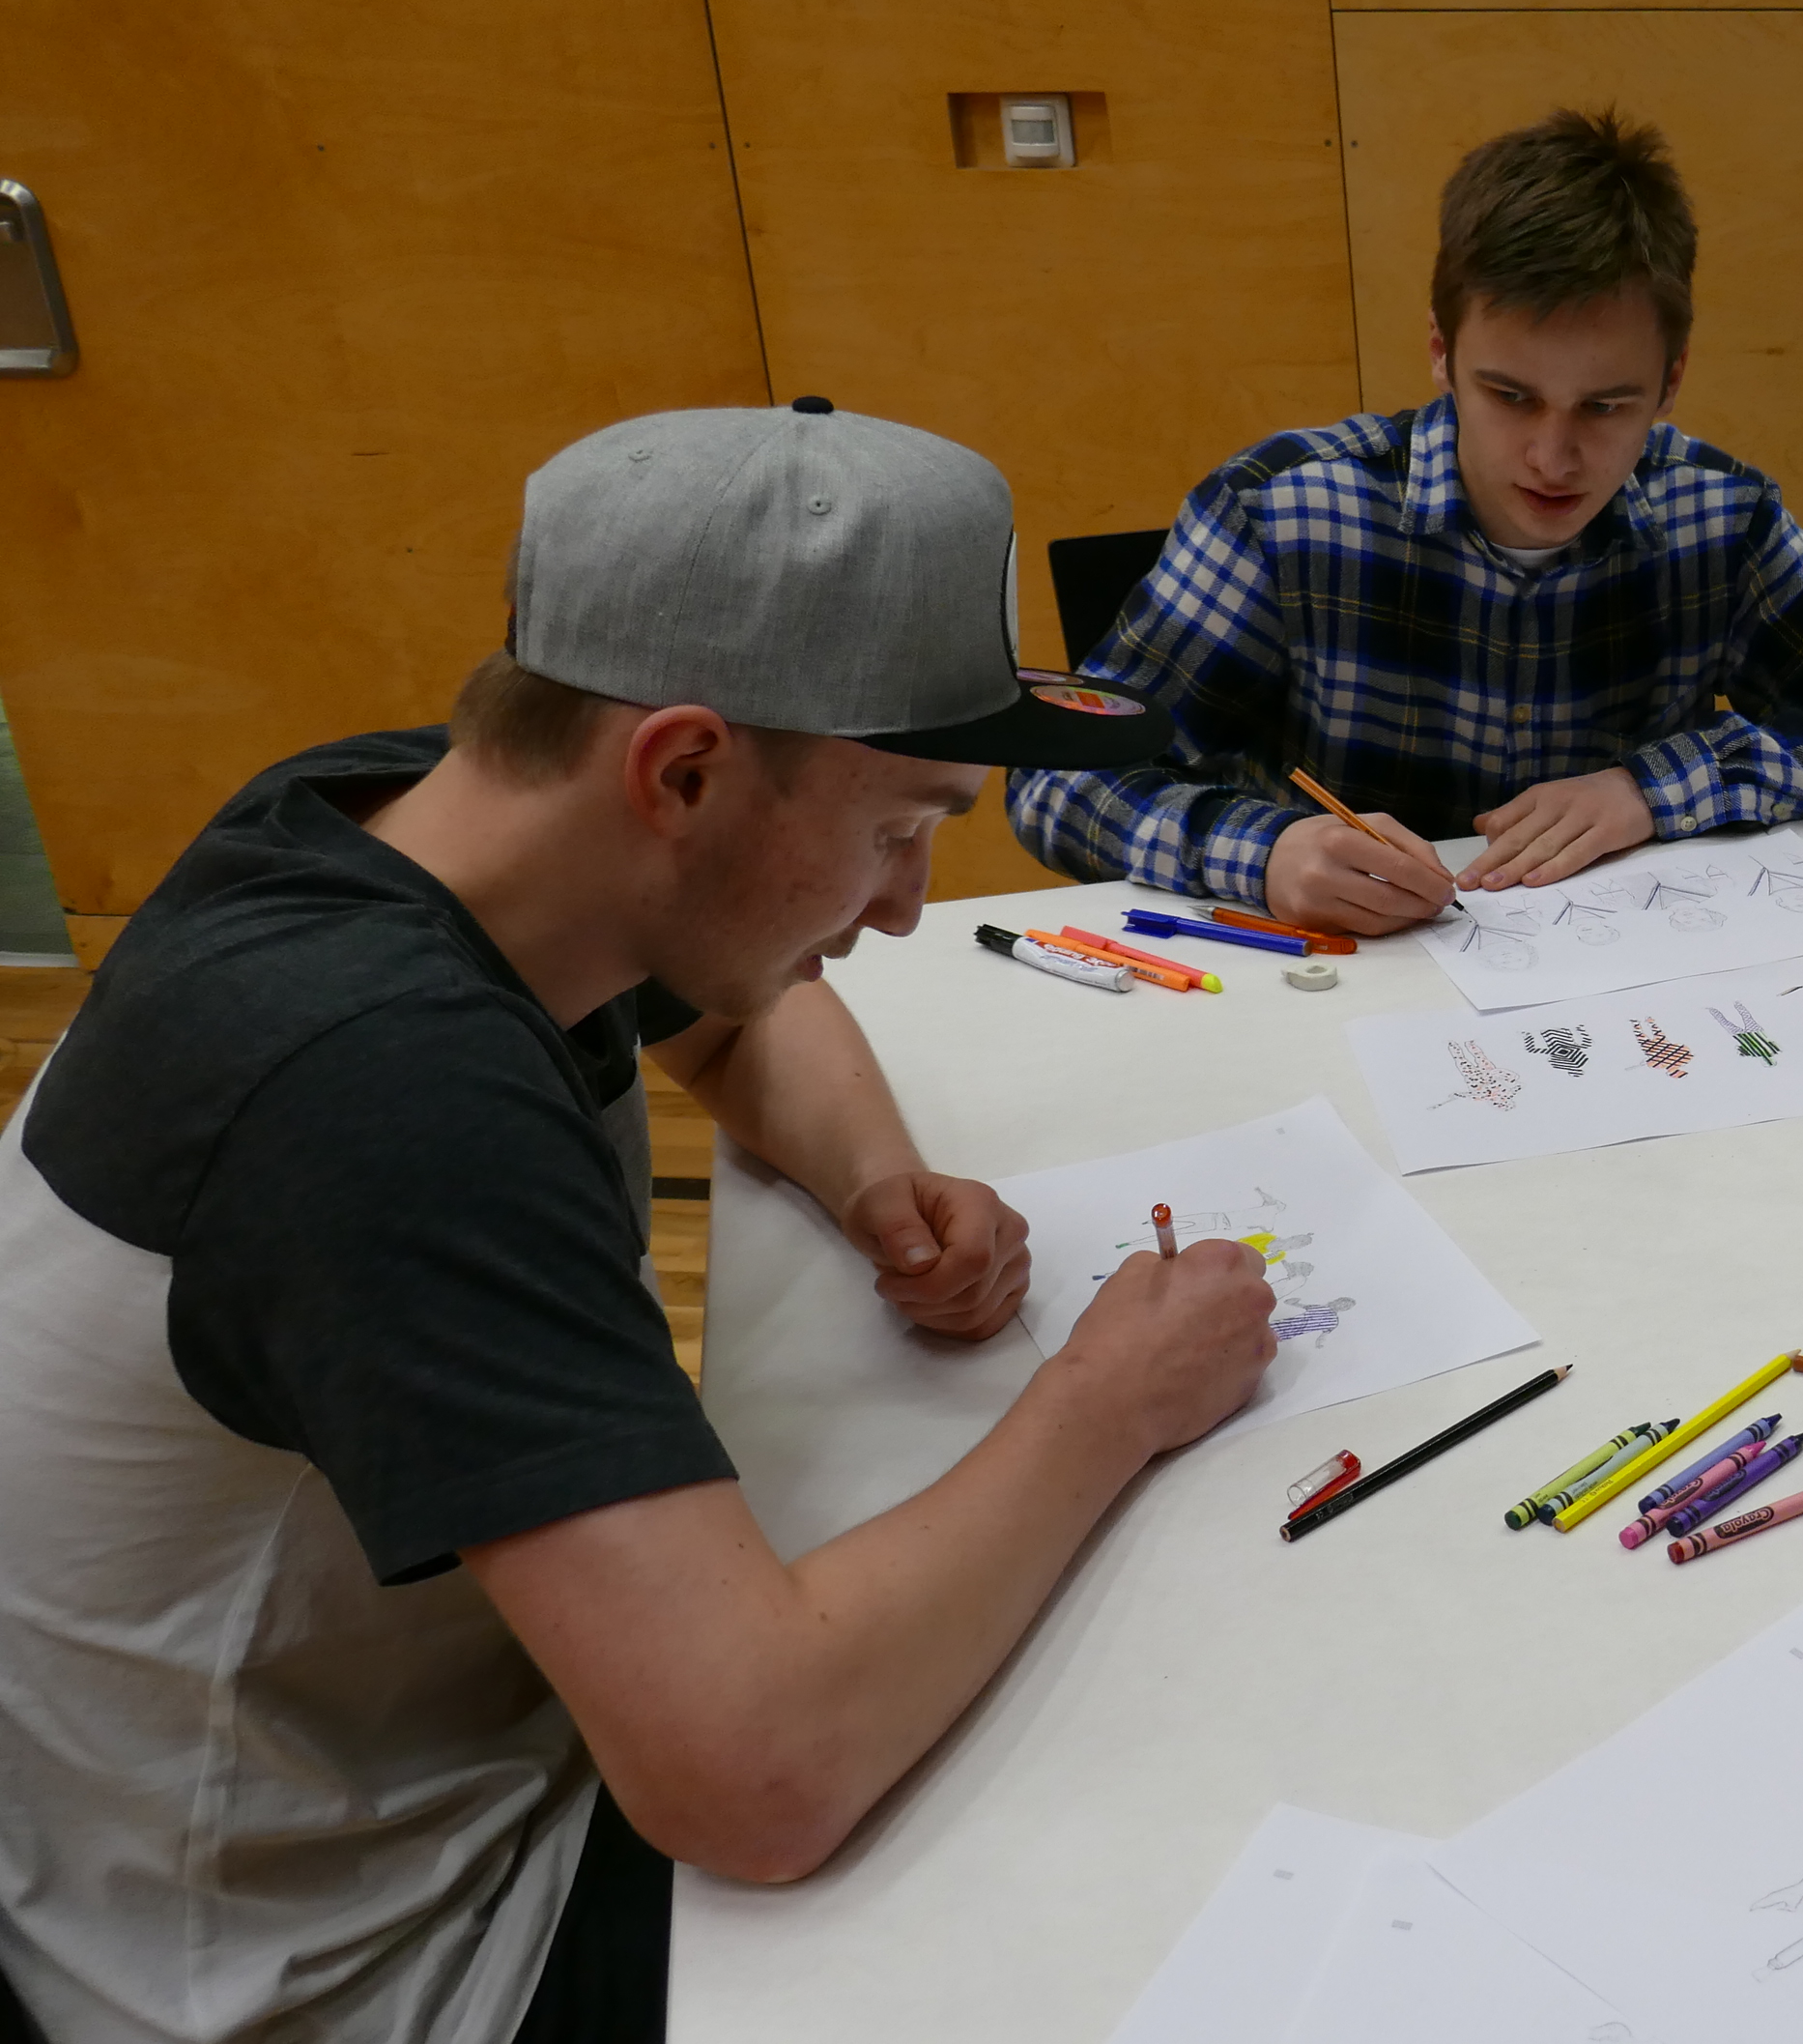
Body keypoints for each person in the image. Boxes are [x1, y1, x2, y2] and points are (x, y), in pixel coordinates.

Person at [0, 400, 1282, 2044]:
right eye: (897, 832)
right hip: (336, 1955)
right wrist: (1109, 1401)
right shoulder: (379, 1092)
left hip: (421, 1749)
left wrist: (870, 1178)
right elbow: (758, 1776)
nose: (906, 907)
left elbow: (747, 1019)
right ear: (680, 770)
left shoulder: (415, 825)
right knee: (1139, 1864)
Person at [1007, 106, 1803, 935]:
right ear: (1441, 352)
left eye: (1606, 406)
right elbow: (1055, 779)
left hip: (1629, 976)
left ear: (1671, 381)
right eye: (1510, 396)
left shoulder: (1717, 517)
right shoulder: (1286, 512)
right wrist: (1265, 852)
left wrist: (1655, 789)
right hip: (1342, 985)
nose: (1553, 458)